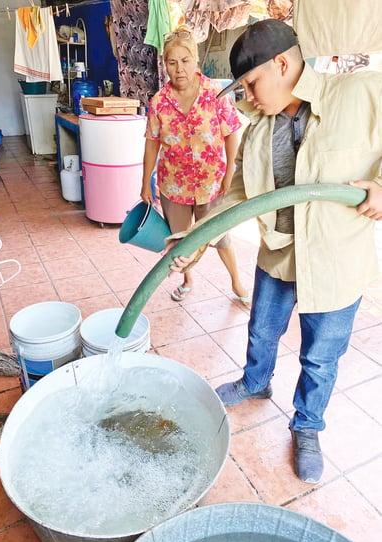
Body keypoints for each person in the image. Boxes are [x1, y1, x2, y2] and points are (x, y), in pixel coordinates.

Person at [169, 19, 382, 483]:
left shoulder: (363, 94)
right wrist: (197, 234)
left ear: (282, 64)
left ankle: (307, 425)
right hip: (280, 253)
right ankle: (256, 380)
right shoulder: (259, 127)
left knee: (320, 357)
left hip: (336, 260)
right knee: (262, 330)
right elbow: (241, 191)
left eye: (250, 82)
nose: (247, 95)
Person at [140, 24, 250, 303]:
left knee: (220, 236)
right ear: (164, 64)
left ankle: (237, 283)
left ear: (196, 60)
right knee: (180, 239)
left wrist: (229, 173)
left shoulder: (215, 93)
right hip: (173, 186)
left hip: (211, 183)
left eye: (185, 61)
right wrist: (145, 183)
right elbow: (152, 141)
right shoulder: (159, 101)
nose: (179, 69)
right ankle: (187, 279)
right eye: (172, 62)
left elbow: (231, 131)